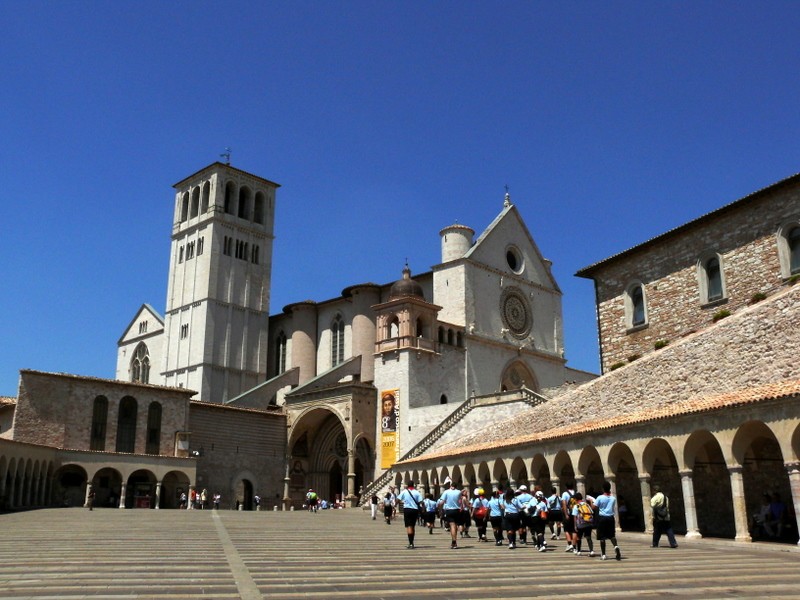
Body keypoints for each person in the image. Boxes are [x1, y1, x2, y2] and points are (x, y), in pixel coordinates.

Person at [594, 481, 622, 561]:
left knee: (602, 537)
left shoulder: (600, 497)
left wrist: (590, 502)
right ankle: (616, 547)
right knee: (612, 535)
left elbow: (595, 507)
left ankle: (603, 554)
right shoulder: (613, 498)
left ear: (603, 489)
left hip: (602, 518)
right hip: (610, 518)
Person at [397, 481, 424, 549]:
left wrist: (395, 504)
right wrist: (423, 508)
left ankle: (411, 543)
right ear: (413, 485)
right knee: (413, 525)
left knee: (408, 525)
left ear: (407, 486)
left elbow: (398, 499)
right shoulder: (417, 492)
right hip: (415, 510)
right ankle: (412, 541)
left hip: (407, 509)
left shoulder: (404, 492)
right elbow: (421, 501)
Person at [438, 480, 464, 549]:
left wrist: (440, 509)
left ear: (450, 486)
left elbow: (441, 502)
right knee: (455, 525)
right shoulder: (459, 492)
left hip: (449, 510)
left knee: (452, 525)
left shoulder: (446, 492)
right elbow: (460, 501)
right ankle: (455, 540)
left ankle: (454, 541)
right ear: (456, 486)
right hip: (457, 510)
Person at [571, 492, 595, 556]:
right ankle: (591, 551)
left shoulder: (576, 506)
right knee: (588, 537)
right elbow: (592, 512)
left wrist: (575, 526)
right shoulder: (587, 504)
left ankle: (578, 551)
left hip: (581, 524)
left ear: (576, 499)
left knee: (579, 537)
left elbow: (575, 517)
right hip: (589, 523)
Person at [561, 482, 578, 552]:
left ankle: (569, 544)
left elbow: (564, 504)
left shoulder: (565, 494)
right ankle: (574, 547)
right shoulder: (576, 493)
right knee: (574, 530)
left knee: (566, 529)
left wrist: (566, 514)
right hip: (575, 513)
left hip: (569, 513)